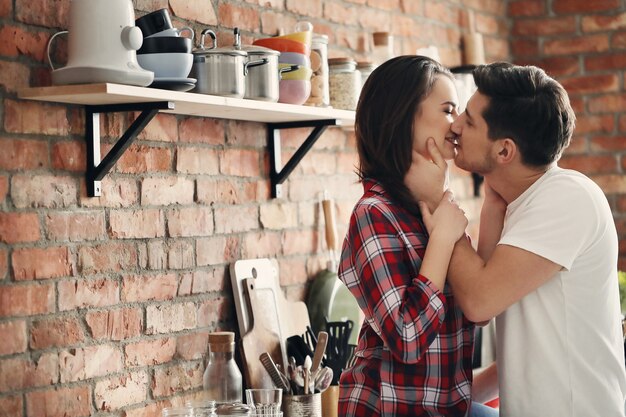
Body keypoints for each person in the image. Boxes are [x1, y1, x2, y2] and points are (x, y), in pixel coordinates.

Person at [417, 62, 626, 416]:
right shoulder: (519, 204)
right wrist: (451, 399)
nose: (455, 126)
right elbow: (500, 326)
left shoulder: (566, 198)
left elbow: (479, 301)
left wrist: (440, 197)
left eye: (468, 121)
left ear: (504, 151)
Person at [337, 55, 489, 417]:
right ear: (403, 116)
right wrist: (442, 240)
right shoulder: (373, 214)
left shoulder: (439, 205)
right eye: (449, 110)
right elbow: (407, 340)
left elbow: (478, 304)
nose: (457, 125)